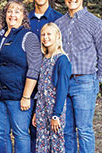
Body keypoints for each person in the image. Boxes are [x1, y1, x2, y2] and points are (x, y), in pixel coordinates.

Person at [55, 0, 102, 153]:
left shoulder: (95, 23)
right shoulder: (58, 24)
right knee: (67, 131)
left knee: (84, 130)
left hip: (85, 82)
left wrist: (96, 79)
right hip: (64, 84)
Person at [0, 0, 42, 153]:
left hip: (19, 97)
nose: (13, 14)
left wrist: (26, 96)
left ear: (23, 16)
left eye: (17, 11)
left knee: (20, 134)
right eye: (10, 11)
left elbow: (35, 68)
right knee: (1, 134)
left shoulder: (28, 37)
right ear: (5, 15)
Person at [28, 0, 62, 152]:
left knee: (53, 128)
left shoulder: (58, 19)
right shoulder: (25, 19)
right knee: (33, 126)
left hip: (50, 82)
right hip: (29, 79)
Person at [32, 22, 71, 153]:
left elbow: (62, 90)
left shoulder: (62, 60)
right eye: (43, 34)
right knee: (42, 141)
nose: (45, 37)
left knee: (56, 142)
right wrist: (36, 112)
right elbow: (41, 87)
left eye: (49, 34)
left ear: (57, 36)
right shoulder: (44, 58)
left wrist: (56, 115)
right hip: (42, 107)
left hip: (55, 107)